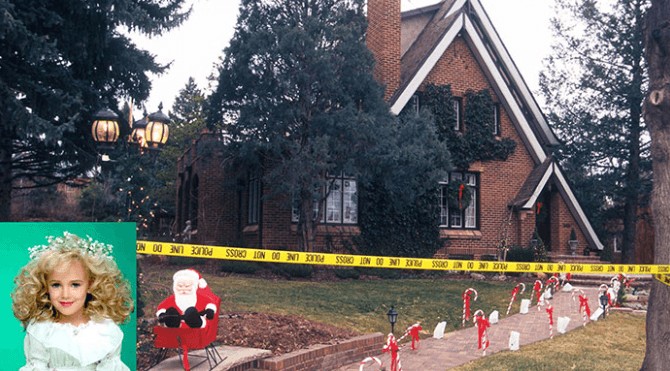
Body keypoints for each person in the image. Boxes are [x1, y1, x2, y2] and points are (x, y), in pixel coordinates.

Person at [11, 232, 134, 370]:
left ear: (90, 284)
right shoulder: (41, 330)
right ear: (45, 286)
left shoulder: (105, 329)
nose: (65, 294)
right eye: (56, 285)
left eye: (75, 285)